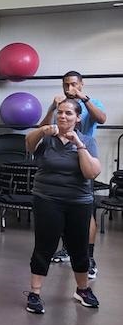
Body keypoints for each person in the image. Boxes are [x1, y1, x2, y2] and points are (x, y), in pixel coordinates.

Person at [24, 99, 101, 314]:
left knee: (79, 248)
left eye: (68, 113)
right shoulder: (47, 140)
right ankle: (35, 293)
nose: (63, 116)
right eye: (60, 113)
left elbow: (91, 172)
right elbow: (29, 145)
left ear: (78, 118)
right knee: (44, 246)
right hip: (47, 199)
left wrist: (78, 144)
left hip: (79, 202)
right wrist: (41, 131)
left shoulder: (87, 140)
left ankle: (82, 290)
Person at [39, 71, 106, 277]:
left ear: (82, 84)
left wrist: (83, 99)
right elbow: (42, 129)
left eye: (74, 84)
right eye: (66, 84)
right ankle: (68, 249)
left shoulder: (90, 102)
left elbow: (102, 119)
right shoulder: (60, 106)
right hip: (60, 157)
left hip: (83, 156)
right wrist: (52, 107)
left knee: (85, 211)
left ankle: (89, 257)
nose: (70, 88)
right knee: (61, 208)